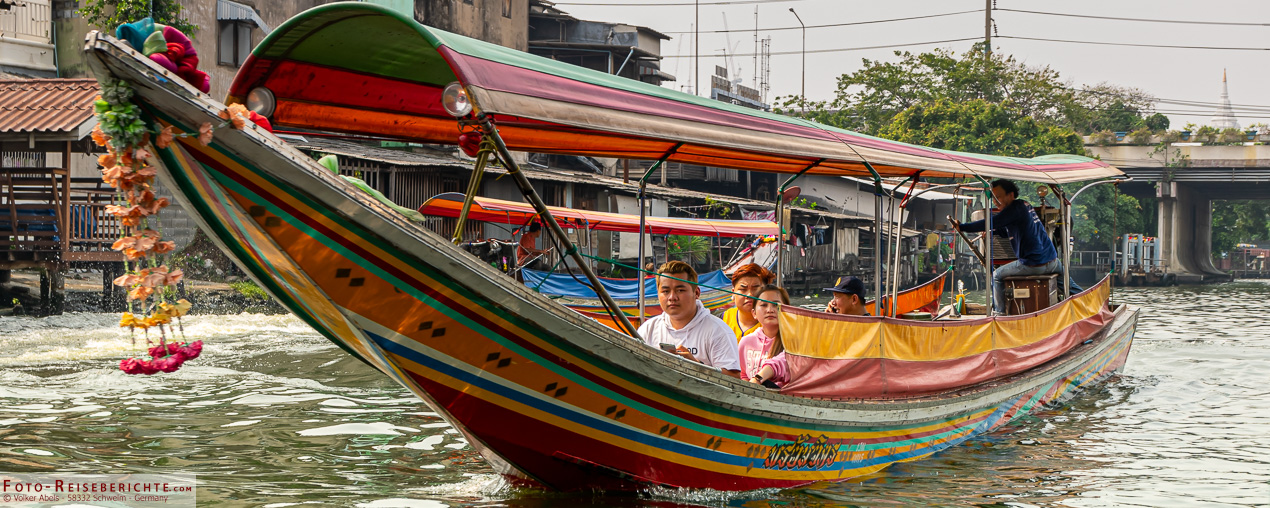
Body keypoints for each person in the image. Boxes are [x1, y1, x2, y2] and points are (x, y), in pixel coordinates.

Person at [952, 179, 1080, 314]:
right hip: (1053, 261)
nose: (995, 201)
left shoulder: (1013, 209)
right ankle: (1090, 300)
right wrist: (992, 231)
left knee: (996, 275)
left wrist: (962, 227)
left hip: (1034, 264)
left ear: (1011, 195)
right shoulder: (1024, 205)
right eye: (994, 198)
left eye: (999, 197)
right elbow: (1006, 230)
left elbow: (990, 222)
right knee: (1068, 285)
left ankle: (999, 314)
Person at [638, 260, 741, 376]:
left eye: (680, 290)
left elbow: (734, 379)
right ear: (658, 293)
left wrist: (697, 366)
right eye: (665, 291)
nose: (672, 297)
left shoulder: (718, 331)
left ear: (696, 293)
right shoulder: (648, 329)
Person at [738, 285, 791, 387]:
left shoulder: (793, 340)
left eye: (776, 305)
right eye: (763, 305)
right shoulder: (746, 342)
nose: (770, 310)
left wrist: (758, 378)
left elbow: (782, 361)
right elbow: (743, 375)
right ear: (754, 313)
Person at [720, 263, 775, 341]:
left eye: (755, 288)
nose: (749, 294)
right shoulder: (721, 320)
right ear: (733, 292)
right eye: (743, 289)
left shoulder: (774, 324)